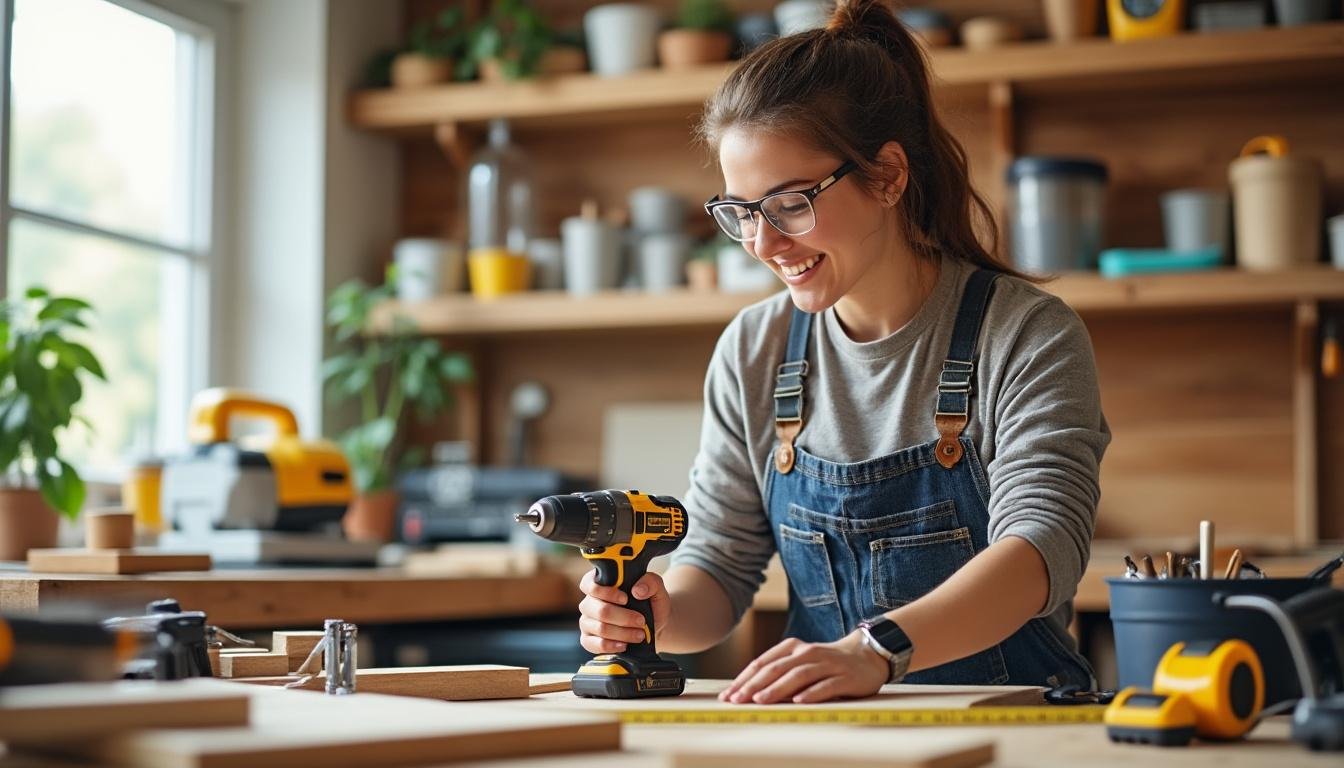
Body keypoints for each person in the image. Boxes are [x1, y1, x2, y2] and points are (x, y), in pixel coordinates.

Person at [576, 0, 1110, 705]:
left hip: (1018, 726)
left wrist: (877, 650)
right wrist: (659, 614)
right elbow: (721, 564)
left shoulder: (1025, 334)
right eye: (740, 213)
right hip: (832, 726)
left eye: (791, 204)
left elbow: (1041, 551)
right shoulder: (754, 349)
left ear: (887, 175)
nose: (763, 244)